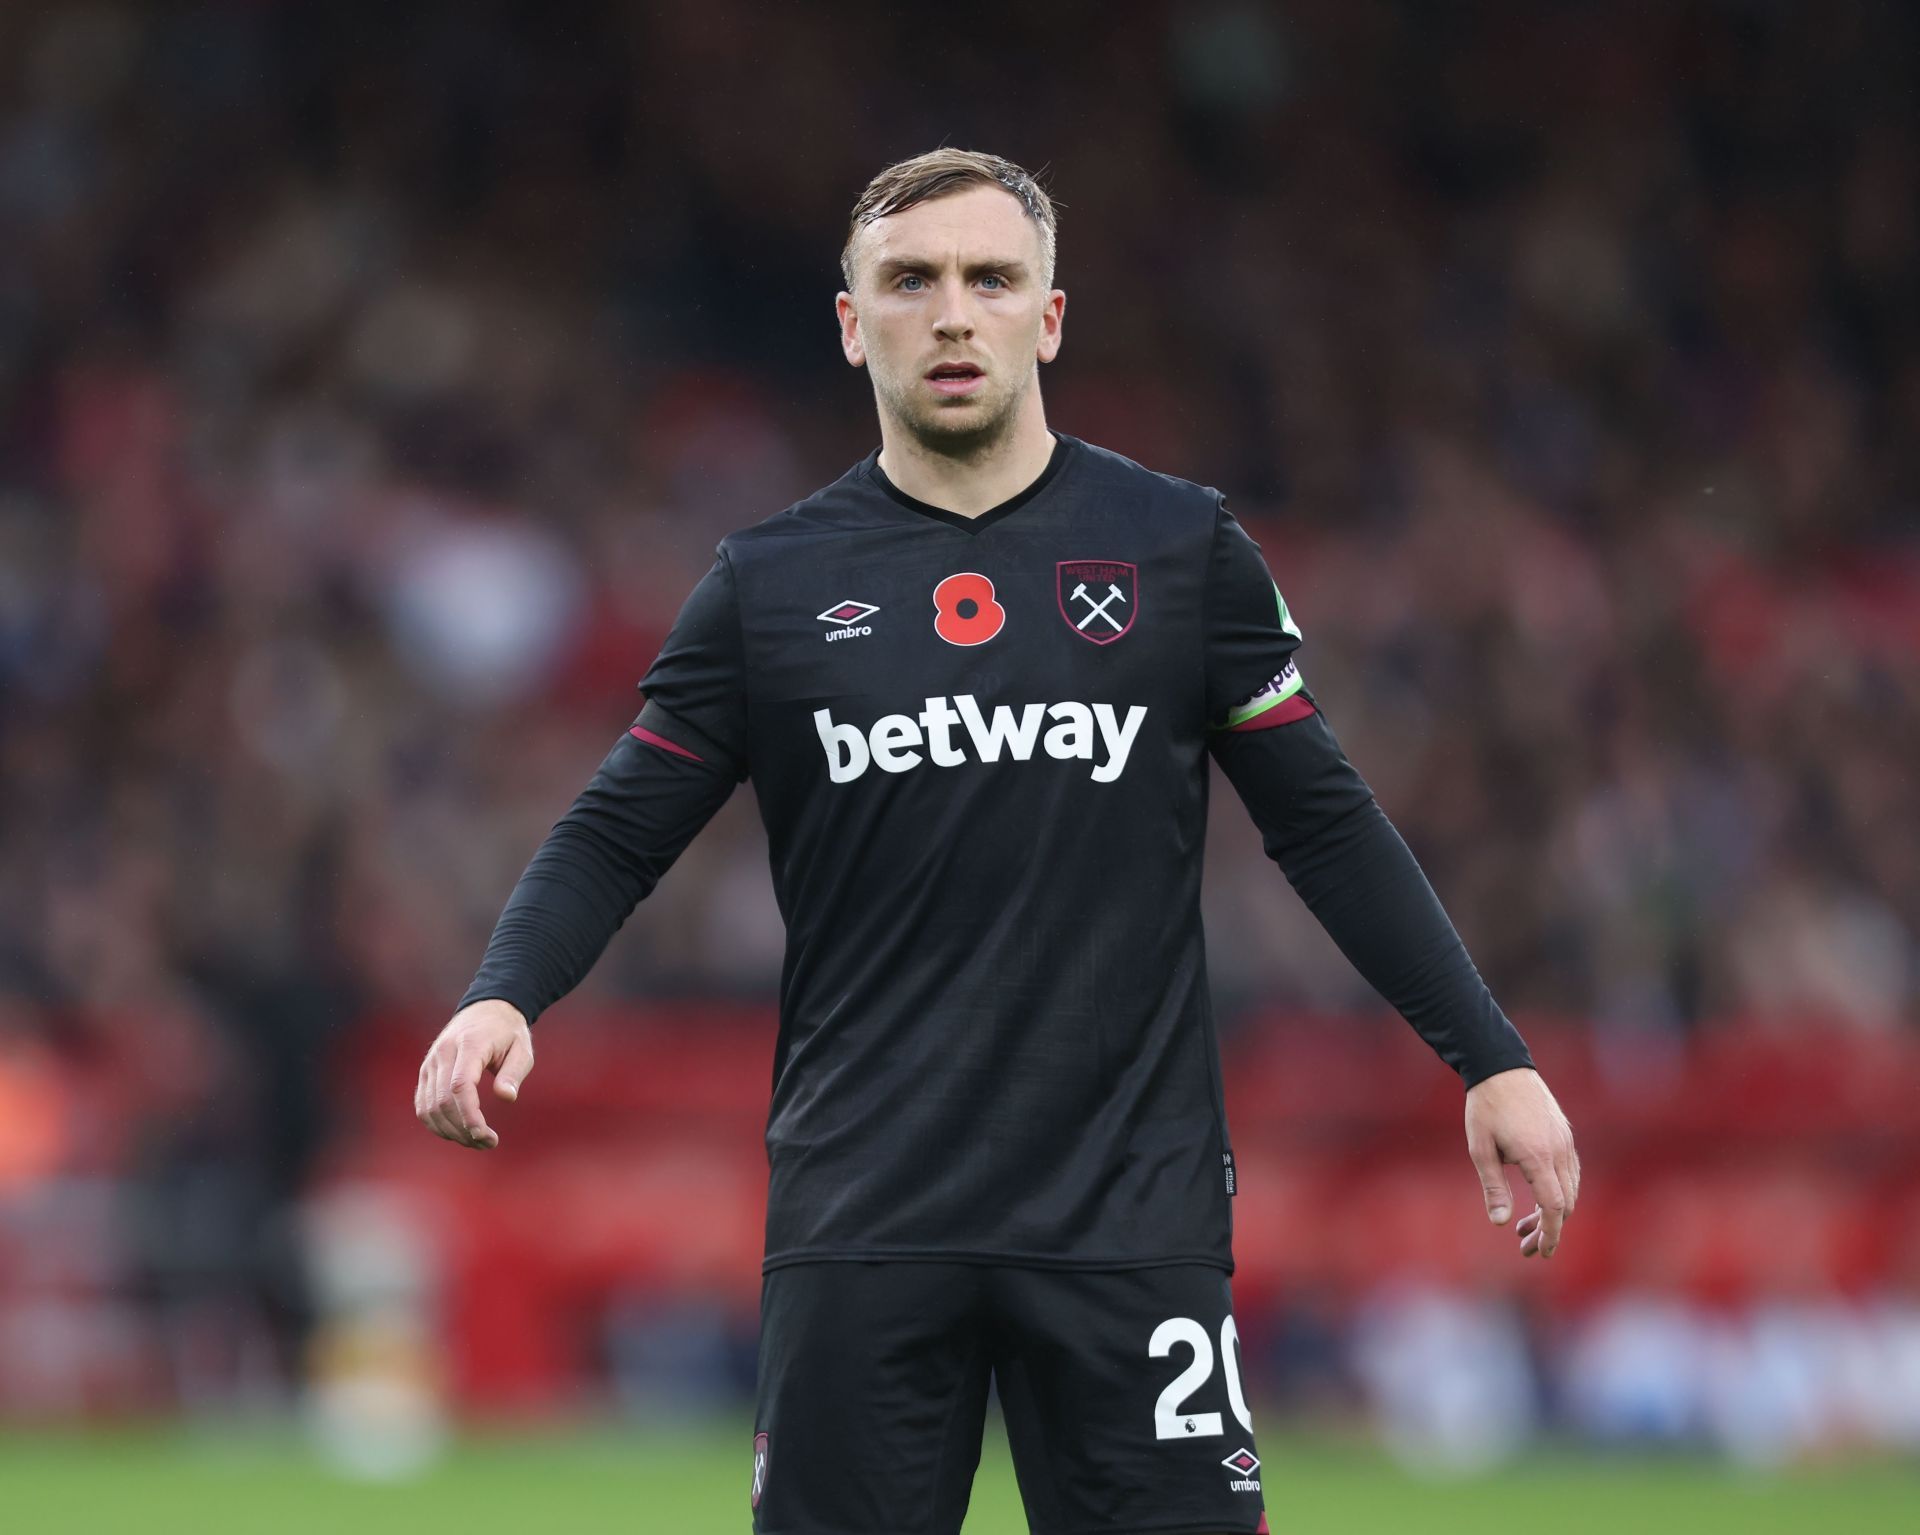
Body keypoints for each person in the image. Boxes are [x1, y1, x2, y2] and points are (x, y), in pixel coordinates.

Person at [414, 148, 1580, 1535]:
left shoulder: (1178, 551)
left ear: (1051, 317)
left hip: (1126, 1220)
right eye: (910, 282)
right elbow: (620, 827)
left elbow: (1323, 823)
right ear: (853, 326)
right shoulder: (770, 590)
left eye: (990, 279)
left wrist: (1488, 1055)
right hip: (865, 1219)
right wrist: (505, 989)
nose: (953, 314)